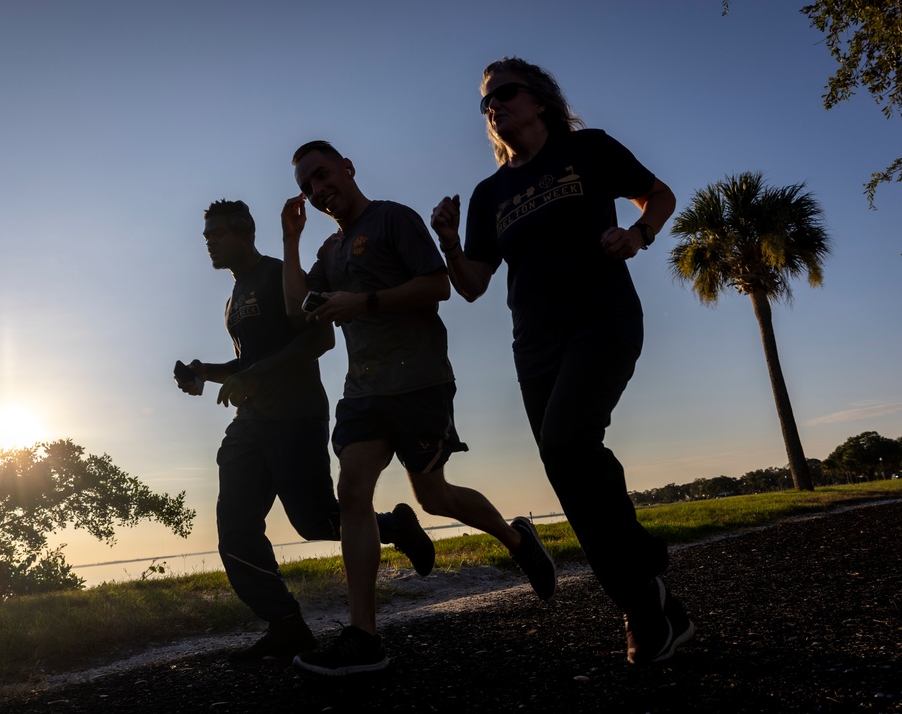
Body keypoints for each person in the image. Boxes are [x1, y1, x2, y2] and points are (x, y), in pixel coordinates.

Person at [430, 57, 695, 665]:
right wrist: (449, 240)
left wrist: (637, 235)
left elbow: (658, 195)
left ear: (540, 100)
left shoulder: (588, 150)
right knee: (564, 462)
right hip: (535, 343)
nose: (493, 107)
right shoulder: (489, 193)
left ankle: (643, 579)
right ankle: (653, 608)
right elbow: (471, 284)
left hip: (603, 320)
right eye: (485, 103)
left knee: (568, 442)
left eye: (505, 94)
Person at [281, 141, 557, 677]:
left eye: (321, 175)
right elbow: (298, 312)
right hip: (362, 391)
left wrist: (362, 302)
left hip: (420, 384)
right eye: (306, 185)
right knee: (353, 491)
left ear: (347, 167)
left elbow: (437, 287)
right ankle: (364, 637)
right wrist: (291, 243)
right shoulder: (328, 253)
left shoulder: (392, 220)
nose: (317, 190)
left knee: (433, 496)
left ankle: (518, 538)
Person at [175, 198, 435, 662]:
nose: (209, 242)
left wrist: (252, 376)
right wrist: (205, 372)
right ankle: (286, 626)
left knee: (315, 521)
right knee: (235, 528)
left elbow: (320, 337)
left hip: (295, 416)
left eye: (218, 233)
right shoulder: (233, 298)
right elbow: (249, 364)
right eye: (206, 235)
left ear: (244, 232)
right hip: (250, 422)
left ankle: (394, 526)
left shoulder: (281, 277)